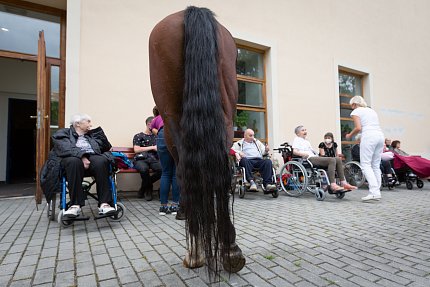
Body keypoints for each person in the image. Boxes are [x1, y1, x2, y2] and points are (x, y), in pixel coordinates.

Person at [53, 114, 116, 217]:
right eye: (88, 121)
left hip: (92, 159)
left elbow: (105, 147)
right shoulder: (63, 133)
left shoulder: (91, 135)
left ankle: (104, 204)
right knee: (74, 162)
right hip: (73, 161)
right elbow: (65, 148)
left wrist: (101, 138)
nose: (91, 124)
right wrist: (82, 157)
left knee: (101, 161)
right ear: (78, 123)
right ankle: (75, 205)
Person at [292, 126, 356, 192]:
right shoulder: (297, 139)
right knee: (332, 160)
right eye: (302, 130)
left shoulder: (306, 141)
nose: (305, 131)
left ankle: (343, 182)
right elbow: (294, 151)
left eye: (305, 130)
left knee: (338, 159)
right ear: (298, 133)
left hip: (314, 157)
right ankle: (333, 184)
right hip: (308, 159)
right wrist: (303, 154)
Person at [346, 95, 384, 202]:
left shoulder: (356, 111)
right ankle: (377, 191)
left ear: (354, 104)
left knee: (365, 164)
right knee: (375, 165)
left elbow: (358, 128)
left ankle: (374, 192)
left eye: (351, 105)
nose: (351, 108)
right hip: (380, 136)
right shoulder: (371, 111)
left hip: (369, 136)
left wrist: (350, 135)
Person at [150, 108, 180, 215]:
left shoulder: (157, 118)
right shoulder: (176, 112)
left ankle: (163, 206)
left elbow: (151, 128)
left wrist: (159, 133)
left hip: (163, 135)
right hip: (176, 133)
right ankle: (175, 205)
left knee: (166, 173)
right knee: (176, 173)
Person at [132, 116, 162, 201]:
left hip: (154, 159)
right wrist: (152, 147)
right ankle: (149, 189)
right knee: (143, 169)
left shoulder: (157, 136)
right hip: (141, 159)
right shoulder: (138, 136)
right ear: (149, 124)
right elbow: (136, 149)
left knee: (162, 170)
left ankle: (144, 187)